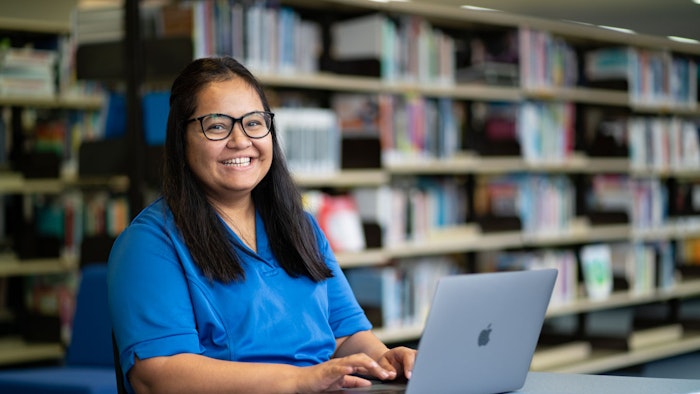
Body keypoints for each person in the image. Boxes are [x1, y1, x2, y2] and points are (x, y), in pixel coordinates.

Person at [107, 56, 416, 394]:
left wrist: (385, 362)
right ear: (181, 139)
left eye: (254, 123)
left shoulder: (301, 227)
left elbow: (346, 336)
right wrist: (299, 381)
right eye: (217, 125)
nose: (241, 141)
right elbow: (158, 375)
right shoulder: (149, 244)